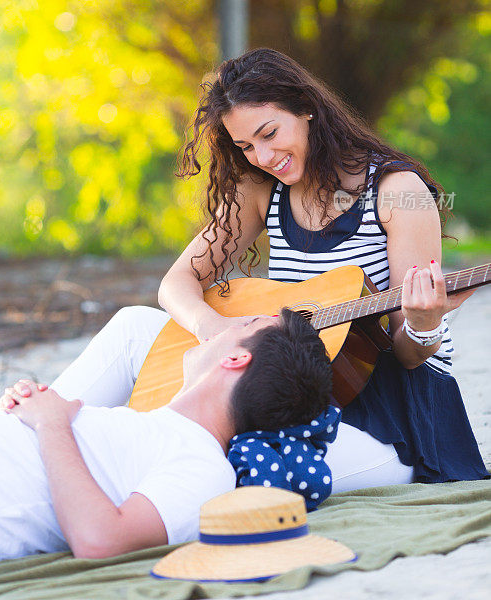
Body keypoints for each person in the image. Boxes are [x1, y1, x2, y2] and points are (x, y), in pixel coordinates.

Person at [158, 48, 487, 486]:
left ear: (306, 108)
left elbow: (410, 356)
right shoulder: (262, 190)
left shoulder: (396, 191)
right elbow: (176, 282)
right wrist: (211, 327)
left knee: (232, 465)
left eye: (269, 133)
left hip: (389, 411)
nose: (262, 155)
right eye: (246, 146)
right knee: (130, 330)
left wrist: (424, 323)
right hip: (297, 391)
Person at [0, 307, 332, 566]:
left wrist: (50, 424)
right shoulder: (158, 428)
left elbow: (101, 540)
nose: (226, 327)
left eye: (242, 325)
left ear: (236, 358)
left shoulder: (205, 468)